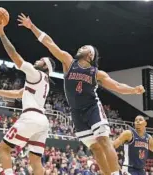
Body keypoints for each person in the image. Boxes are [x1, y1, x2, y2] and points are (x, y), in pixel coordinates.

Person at [17, 13, 145, 175]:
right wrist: (32, 27)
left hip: (92, 108)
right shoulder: (68, 62)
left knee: (104, 141)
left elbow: (117, 86)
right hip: (76, 112)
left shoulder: (96, 73)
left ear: (90, 55)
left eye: (84, 48)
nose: (80, 48)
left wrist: (133, 90)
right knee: (95, 149)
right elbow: (50, 44)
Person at [0, 17, 56, 175]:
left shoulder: (36, 73)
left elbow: (15, 56)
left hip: (31, 116)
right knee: (35, 160)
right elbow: (18, 93)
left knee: (3, 148)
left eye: (40, 60)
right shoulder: (44, 82)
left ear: (45, 66)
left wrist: (1, 33)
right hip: (43, 121)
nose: (37, 61)